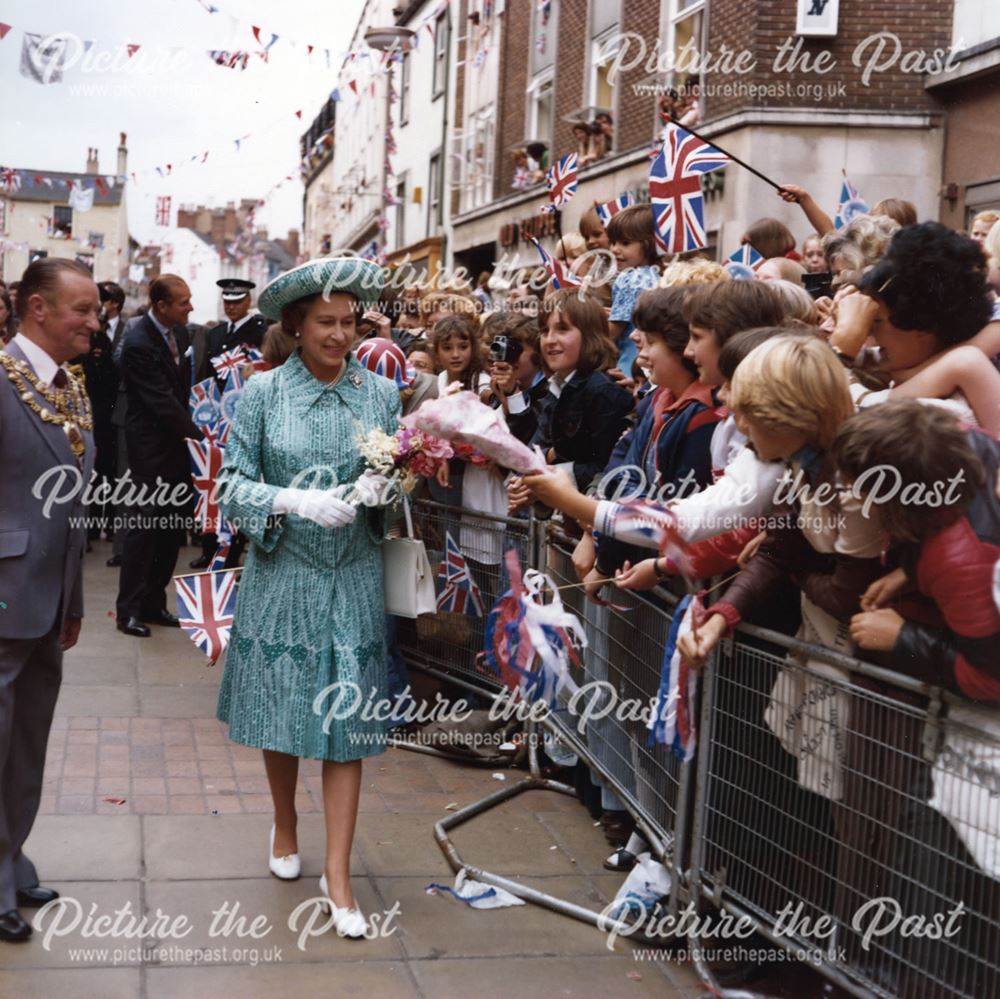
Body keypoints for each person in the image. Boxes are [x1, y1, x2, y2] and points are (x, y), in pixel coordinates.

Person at [216, 258, 400, 936]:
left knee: (345, 725)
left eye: (349, 322)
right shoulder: (262, 394)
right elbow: (230, 487)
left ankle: (341, 876)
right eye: (326, 322)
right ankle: (285, 821)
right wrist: (292, 499)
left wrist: (387, 492)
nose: (339, 335)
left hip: (351, 575)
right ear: (294, 325)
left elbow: (396, 471)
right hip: (283, 572)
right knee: (283, 708)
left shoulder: (380, 394)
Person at [0, 258, 97, 942]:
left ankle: (10, 855)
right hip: (4, 595)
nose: (95, 321)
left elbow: (71, 502)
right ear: (38, 308)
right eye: (82, 309)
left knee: (26, 743)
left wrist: (73, 597)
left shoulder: (71, 385)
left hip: (49, 594)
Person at [115, 276, 201, 637]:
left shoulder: (180, 335)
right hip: (150, 447)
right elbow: (160, 400)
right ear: (161, 306)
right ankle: (129, 610)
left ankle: (154, 603)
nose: (190, 307)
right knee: (145, 526)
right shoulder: (137, 342)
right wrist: (200, 435)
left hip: (176, 445)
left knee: (171, 527)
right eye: (183, 302)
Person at [607, 204, 662, 380]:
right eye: (613, 242)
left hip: (628, 368)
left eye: (625, 243)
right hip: (654, 368)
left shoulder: (630, 278)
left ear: (647, 245)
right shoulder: (662, 275)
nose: (614, 249)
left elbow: (611, 332)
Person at [208, 278, 269, 358]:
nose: (231, 307)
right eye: (227, 302)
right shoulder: (215, 333)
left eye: (237, 302)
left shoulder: (260, 332)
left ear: (249, 301)